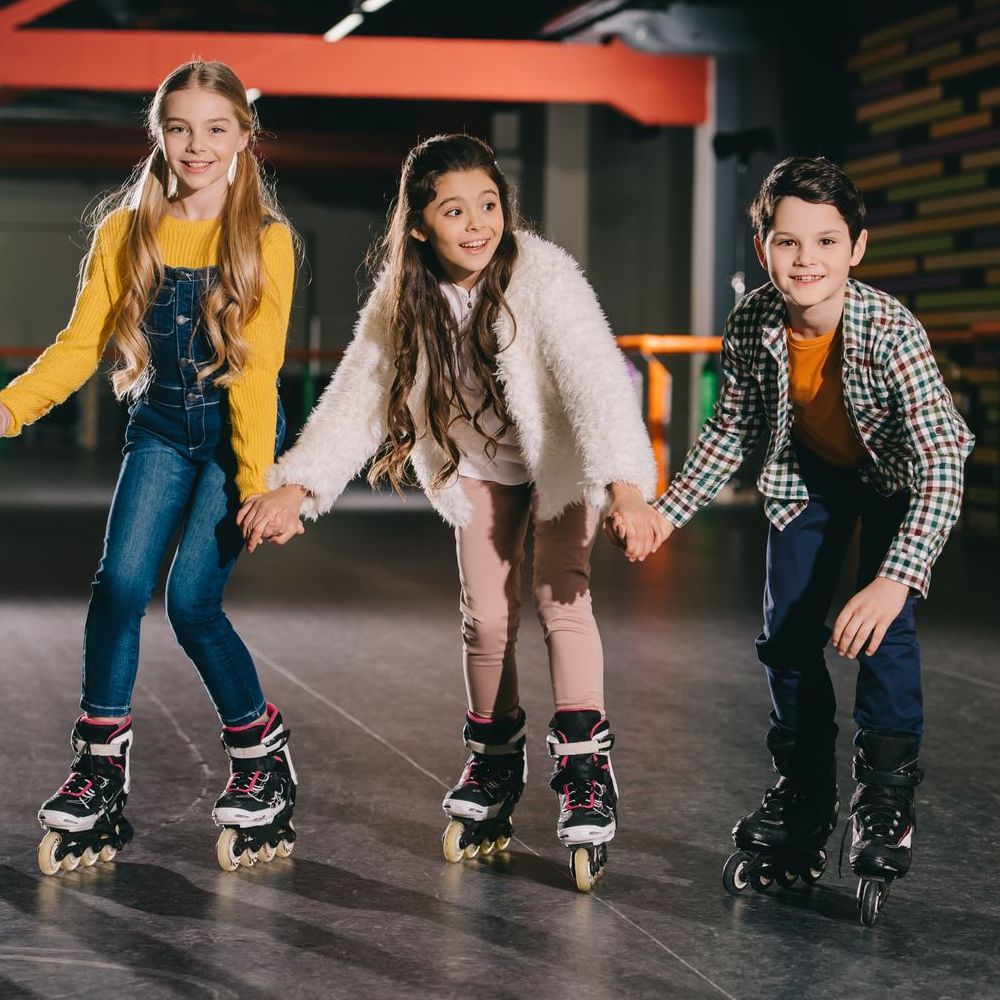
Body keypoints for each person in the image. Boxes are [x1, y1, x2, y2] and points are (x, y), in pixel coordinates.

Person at [239, 133, 664, 891]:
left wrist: (626, 486)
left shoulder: (543, 276)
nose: (477, 224)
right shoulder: (403, 297)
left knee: (561, 595)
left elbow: (597, 381)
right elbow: (361, 396)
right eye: (454, 209)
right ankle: (494, 761)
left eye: (489, 205)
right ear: (418, 226)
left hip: (558, 457)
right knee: (486, 618)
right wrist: (299, 486)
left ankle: (585, 767)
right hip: (477, 463)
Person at [619, 155, 973, 924]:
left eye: (826, 241)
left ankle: (884, 803)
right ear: (762, 250)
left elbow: (945, 456)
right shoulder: (752, 322)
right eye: (788, 243)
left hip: (897, 478)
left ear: (858, 248)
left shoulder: (891, 331)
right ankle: (805, 796)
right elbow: (731, 431)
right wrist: (665, 513)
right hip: (807, 474)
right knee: (785, 638)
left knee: (885, 631)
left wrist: (894, 576)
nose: (806, 260)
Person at [0, 61, 300, 875]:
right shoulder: (122, 234)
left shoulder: (266, 240)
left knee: (194, 603)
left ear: (243, 136)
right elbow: (77, 346)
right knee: (120, 586)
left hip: (235, 431)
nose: (195, 145)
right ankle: (100, 764)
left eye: (214, 128)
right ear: (158, 136)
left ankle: (259, 753)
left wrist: (256, 481)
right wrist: (11, 407)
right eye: (178, 128)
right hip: (161, 425)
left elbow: (258, 372)